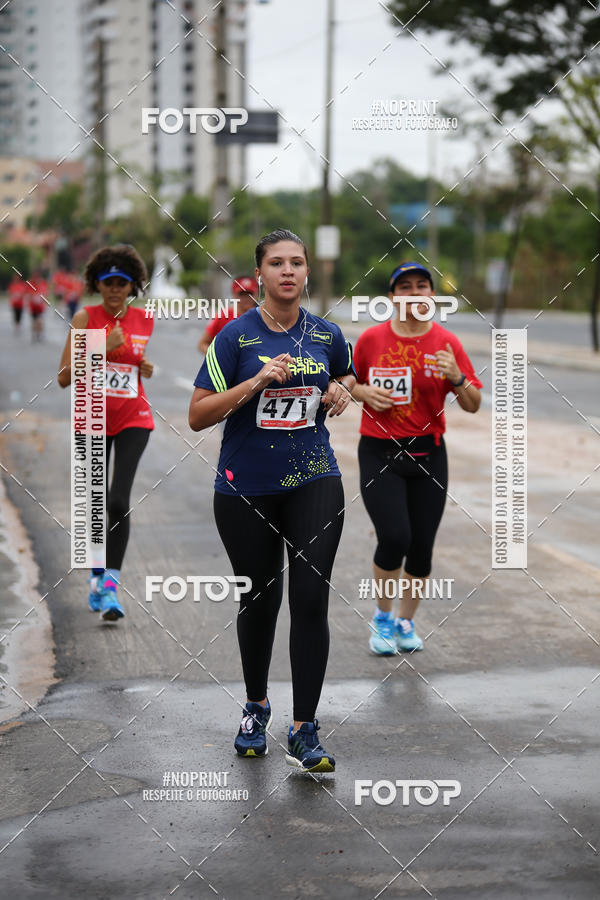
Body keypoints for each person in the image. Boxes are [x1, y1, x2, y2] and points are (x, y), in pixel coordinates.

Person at [189, 228, 356, 772]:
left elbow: (346, 377)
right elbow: (198, 415)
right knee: (259, 600)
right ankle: (256, 707)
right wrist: (256, 382)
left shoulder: (327, 334)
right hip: (244, 488)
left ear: (309, 272)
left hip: (315, 479)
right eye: (277, 263)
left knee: (310, 600)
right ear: (259, 273)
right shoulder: (234, 339)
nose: (288, 271)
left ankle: (305, 727)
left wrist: (340, 391)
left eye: (298, 263)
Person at [351, 262, 482, 654]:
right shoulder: (372, 339)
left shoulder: (447, 343)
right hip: (380, 451)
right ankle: (382, 618)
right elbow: (344, 379)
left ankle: (406, 622)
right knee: (395, 537)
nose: (413, 293)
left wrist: (456, 376)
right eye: (404, 287)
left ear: (432, 295)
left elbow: (474, 403)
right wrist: (363, 393)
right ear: (393, 297)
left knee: (422, 546)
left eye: (421, 286)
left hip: (429, 454)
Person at [57, 245, 154, 622]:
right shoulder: (85, 318)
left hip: (134, 417)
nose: (115, 289)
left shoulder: (145, 320)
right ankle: (96, 577)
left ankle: (111, 585)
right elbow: (65, 377)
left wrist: (144, 366)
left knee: (117, 501)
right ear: (97, 284)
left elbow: (131, 366)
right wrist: (100, 348)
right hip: (91, 418)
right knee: (94, 505)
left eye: (122, 283)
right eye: (108, 282)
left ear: (133, 287)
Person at [197, 276, 258, 354]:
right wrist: (218, 358)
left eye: (249, 294)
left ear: (256, 294)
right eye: (242, 294)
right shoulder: (223, 316)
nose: (246, 298)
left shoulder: (263, 317)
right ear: (234, 294)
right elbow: (203, 343)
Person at [26, 272, 48, 341]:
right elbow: (28, 295)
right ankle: (34, 334)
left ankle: (39, 334)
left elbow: (45, 294)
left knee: (39, 321)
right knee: (34, 321)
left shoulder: (42, 285)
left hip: (40, 307)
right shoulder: (30, 285)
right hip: (33, 307)